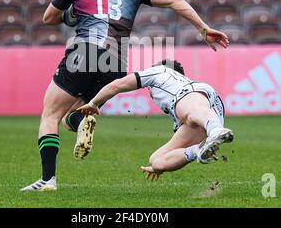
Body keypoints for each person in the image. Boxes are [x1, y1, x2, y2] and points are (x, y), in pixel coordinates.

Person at [21, 0, 229, 192]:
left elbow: (48, 18)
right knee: (74, 113)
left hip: (85, 50)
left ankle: (48, 180)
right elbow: (175, 1)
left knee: (50, 115)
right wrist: (204, 28)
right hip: (116, 59)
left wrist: (71, 16)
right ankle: (80, 123)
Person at [77, 60, 234, 180]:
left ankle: (216, 131)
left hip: (195, 97)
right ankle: (199, 150)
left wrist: (93, 103)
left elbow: (117, 85)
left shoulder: (160, 72)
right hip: (212, 112)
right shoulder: (172, 99)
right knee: (157, 161)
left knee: (191, 114)